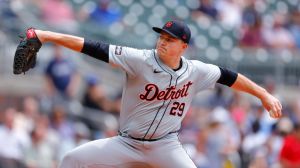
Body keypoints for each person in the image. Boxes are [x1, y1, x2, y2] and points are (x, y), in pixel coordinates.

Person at [25, 20, 282, 168]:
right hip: (126, 142)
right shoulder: (140, 59)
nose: (162, 41)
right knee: (72, 160)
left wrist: (263, 95)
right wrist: (47, 36)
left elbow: (230, 77)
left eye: (170, 39)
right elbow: (93, 48)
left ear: (183, 46)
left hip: (166, 145)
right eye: (161, 36)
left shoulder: (196, 71)